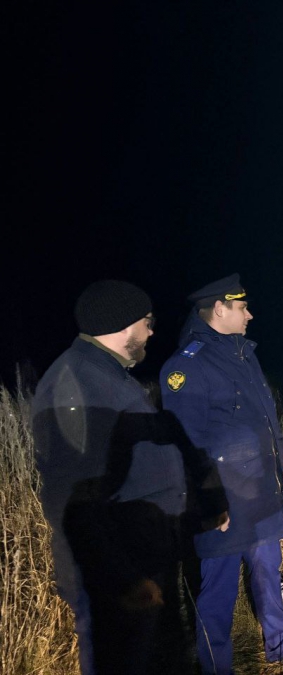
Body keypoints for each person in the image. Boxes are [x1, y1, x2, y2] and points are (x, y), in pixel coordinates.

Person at [32, 280, 229, 675]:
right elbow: (73, 497)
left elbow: (144, 467)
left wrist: (199, 512)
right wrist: (122, 579)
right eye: (147, 322)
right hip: (119, 575)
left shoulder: (108, 375)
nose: (151, 332)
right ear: (124, 324)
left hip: (143, 556)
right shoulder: (77, 383)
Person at [160, 274, 283, 674]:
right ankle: (216, 666)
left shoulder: (243, 354)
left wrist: (282, 463)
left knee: (268, 567)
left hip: (261, 489)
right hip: (224, 497)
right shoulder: (186, 365)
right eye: (242, 307)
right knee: (217, 586)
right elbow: (185, 442)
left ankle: (282, 644)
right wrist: (208, 501)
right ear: (219, 309)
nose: (249, 315)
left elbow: (267, 414)